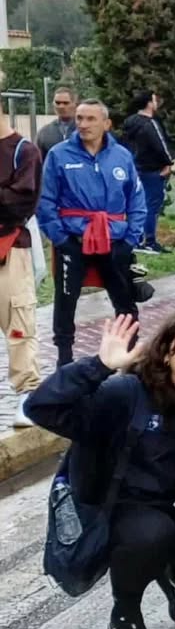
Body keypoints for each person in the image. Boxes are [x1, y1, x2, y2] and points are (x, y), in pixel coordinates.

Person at [26, 310, 175, 629]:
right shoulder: (126, 393)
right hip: (126, 509)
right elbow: (42, 407)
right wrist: (97, 366)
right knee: (152, 533)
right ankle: (125, 613)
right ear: (167, 352)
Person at [37, 99, 145, 368]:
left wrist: (130, 239)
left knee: (125, 301)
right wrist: (61, 239)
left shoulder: (121, 156)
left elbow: (137, 200)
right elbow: (45, 201)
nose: (83, 124)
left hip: (115, 241)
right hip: (73, 241)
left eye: (90, 119)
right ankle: (64, 361)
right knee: (65, 302)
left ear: (106, 124)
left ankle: (132, 357)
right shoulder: (59, 155)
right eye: (80, 118)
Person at [0, 95, 41, 422]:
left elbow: (18, 204)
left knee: (19, 320)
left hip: (10, 249)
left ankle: (27, 393)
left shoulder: (23, 152)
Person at [120, 90, 175, 255]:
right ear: (149, 103)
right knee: (151, 206)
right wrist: (168, 163)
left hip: (133, 169)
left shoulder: (130, 123)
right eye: (154, 100)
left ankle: (135, 239)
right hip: (152, 170)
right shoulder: (150, 124)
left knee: (135, 205)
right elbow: (161, 145)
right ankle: (149, 241)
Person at [37, 85, 78, 160]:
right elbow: (38, 162)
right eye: (58, 103)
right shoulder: (45, 133)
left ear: (74, 104)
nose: (61, 106)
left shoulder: (84, 129)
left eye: (65, 103)